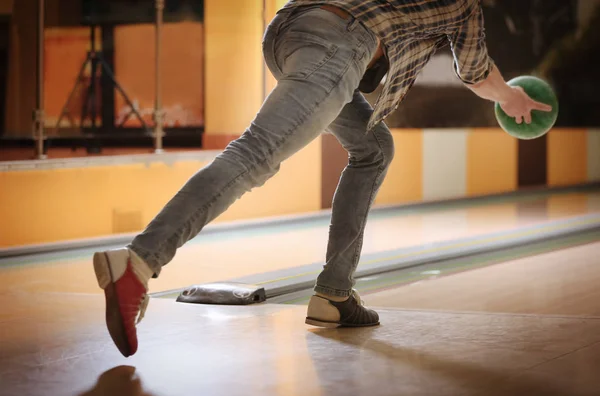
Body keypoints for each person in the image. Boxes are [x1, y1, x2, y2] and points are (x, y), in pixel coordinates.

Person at [93, 0, 553, 357]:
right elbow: (475, 73)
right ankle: (138, 261)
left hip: (289, 30)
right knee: (257, 153)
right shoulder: (465, 6)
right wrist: (509, 97)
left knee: (374, 149)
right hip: (340, 43)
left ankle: (334, 294)